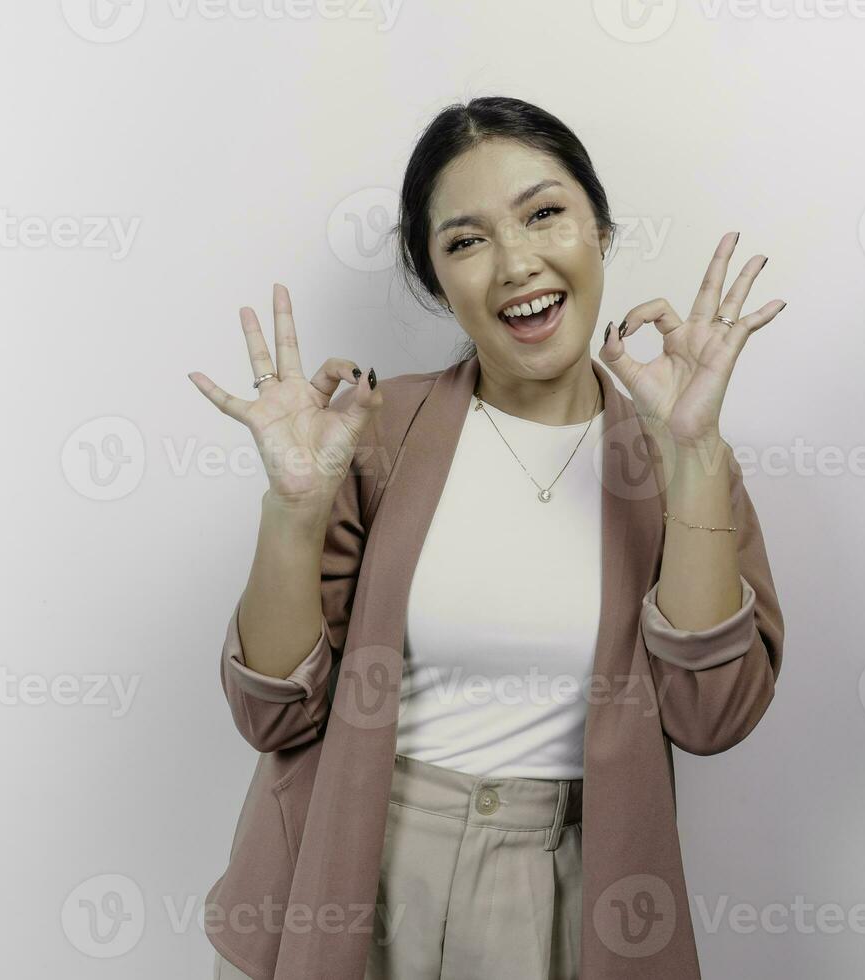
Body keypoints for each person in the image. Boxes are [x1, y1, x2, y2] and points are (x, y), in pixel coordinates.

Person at [188, 96, 788, 980]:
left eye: (544, 213)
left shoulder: (678, 461)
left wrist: (692, 452)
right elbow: (271, 713)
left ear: (601, 229)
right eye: (465, 241)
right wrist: (293, 507)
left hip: (558, 903)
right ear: (436, 280)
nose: (515, 263)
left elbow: (713, 717)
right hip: (349, 872)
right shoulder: (378, 432)